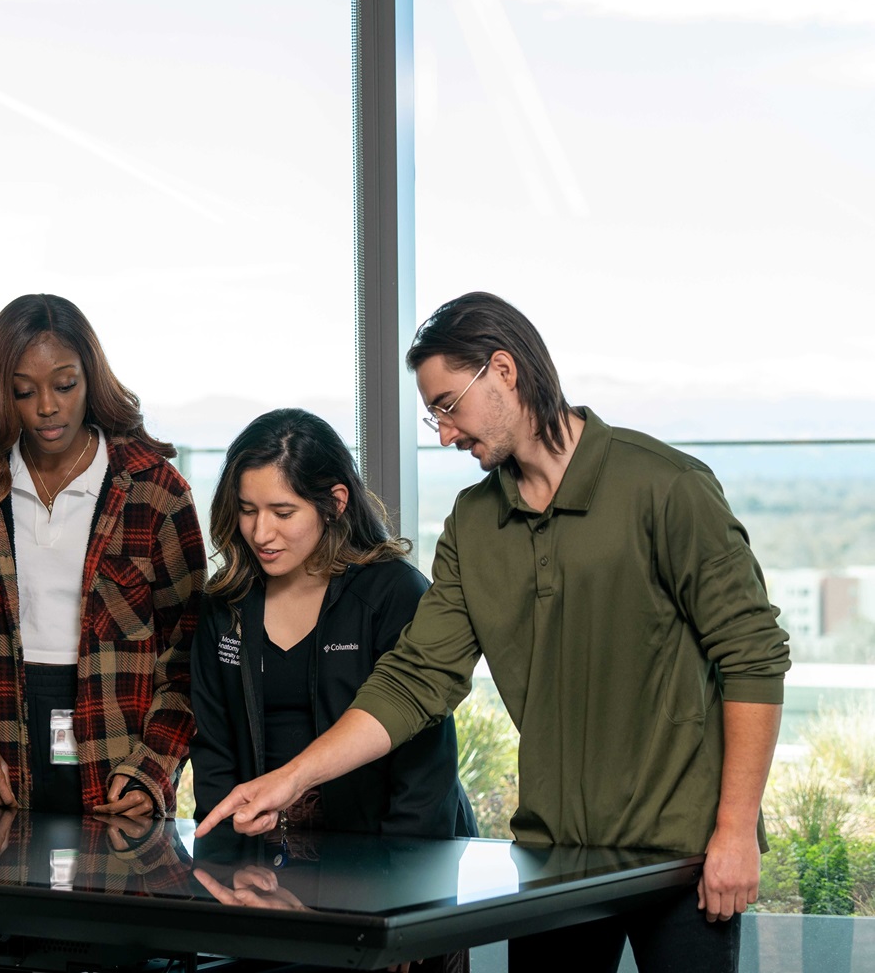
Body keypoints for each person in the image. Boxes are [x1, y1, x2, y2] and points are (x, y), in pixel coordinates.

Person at [198, 292, 790, 973]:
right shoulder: (474, 524)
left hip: (684, 860)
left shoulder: (665, 487)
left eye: (448, 405)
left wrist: (735, 832)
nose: (444, 433)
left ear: (504, 371)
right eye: (434, 415)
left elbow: (751, 656)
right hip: (551, 861)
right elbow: (414, 681)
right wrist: (291, 778)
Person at [0, 293, 205, 817]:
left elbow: (189, 654)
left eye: (64, 385)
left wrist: (152, 770)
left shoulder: (154, 489)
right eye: (24, 390)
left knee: (104, 899)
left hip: (116, 750)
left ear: (91, 377)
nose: (47, 407)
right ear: (1, 391)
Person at [190, 409, 474, 973]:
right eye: (247, 511)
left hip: (389, 879)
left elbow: (425, 770)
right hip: (265, 886)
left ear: (335, 502)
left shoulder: (393, 593)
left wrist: (403, 910)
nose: (260, 532)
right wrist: (224, 873)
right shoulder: (224, 607)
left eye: (282, 512)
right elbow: (215, 754)